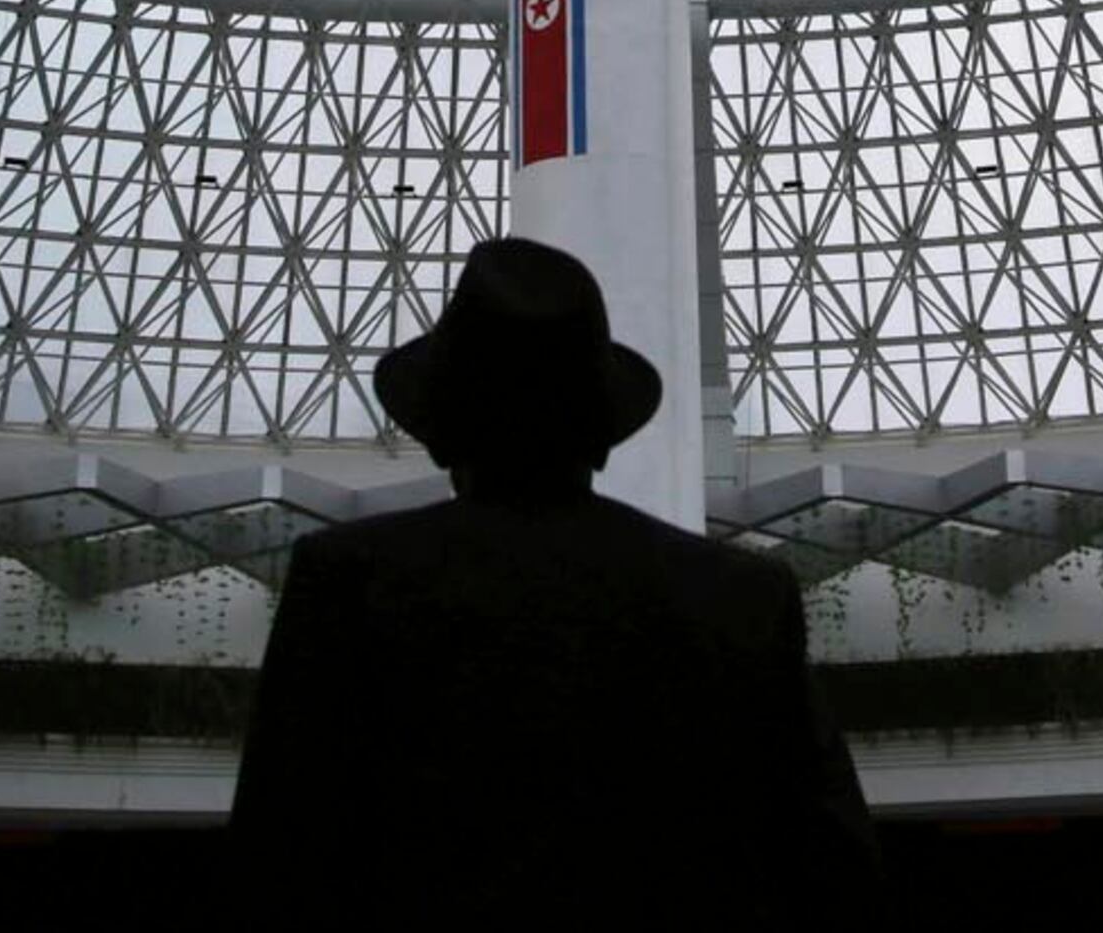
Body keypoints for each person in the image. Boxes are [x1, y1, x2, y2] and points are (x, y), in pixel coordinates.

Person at [231, 236, 888, 928]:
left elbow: (275, 865)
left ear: (440, 435)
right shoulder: (742, 597)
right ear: (602, 438)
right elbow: (837, 877)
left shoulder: (345, 583)